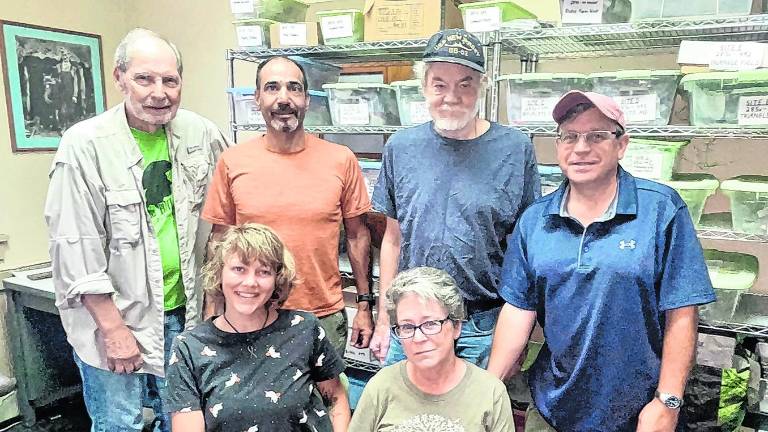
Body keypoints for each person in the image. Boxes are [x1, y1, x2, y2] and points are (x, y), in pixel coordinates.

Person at [487, 91, 717, 432]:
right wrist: (488, 389)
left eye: (596, 136)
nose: (581, 148)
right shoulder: (536, 220)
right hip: (552, 409)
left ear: (621, 145)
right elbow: (519, 310)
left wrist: (668, 402)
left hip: (639, 412)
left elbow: (682, 313)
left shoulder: (661, 210)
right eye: (570, 137)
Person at [44, 28, 230, 432]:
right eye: (145, 79)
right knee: (120, 423)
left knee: (184, 420)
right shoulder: (85, 145)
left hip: (187, 313)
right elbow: (75, 248)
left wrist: (216, 301)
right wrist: (113, 330)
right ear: (120, 78)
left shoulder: (202, 134)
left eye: (170, 80)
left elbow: (224, 220)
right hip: (115, 316)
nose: (159, 92)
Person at [369, 29, 541, 366]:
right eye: (439, 84)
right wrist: (383, 319)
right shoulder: (401, 148)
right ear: (424, 88)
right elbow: (392, 240)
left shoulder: (515, 149)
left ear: (482, 88)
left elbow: (525, 247)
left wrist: (517, 330)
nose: (451, 96)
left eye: (465, 84)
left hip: (482, 325)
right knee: (407, 417)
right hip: (411, 321)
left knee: (473, 418)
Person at [202, 56, 374, 356]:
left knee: (327, 400)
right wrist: (213, 308)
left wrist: (364, 305)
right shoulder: (233, 161)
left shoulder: (341, 159)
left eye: (294, 88)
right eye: (272, 88)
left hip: (321, 315)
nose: (284, 98)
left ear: (307, 100)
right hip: (249, 311)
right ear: (257, 98)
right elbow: (219, 240)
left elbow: (359, 235)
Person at [166, 223, 350, 432]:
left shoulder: (305, 329)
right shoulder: (189, 348)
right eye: (239, 269)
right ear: (219, 273)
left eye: (263, 272)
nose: (250, 282)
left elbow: (336, 399)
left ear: (277, 279)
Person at [349, 267, 514, 431]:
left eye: (430, 324)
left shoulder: (490, 392)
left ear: (456, 325)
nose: (418, 338)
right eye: (407, 326)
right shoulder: (381, 386)